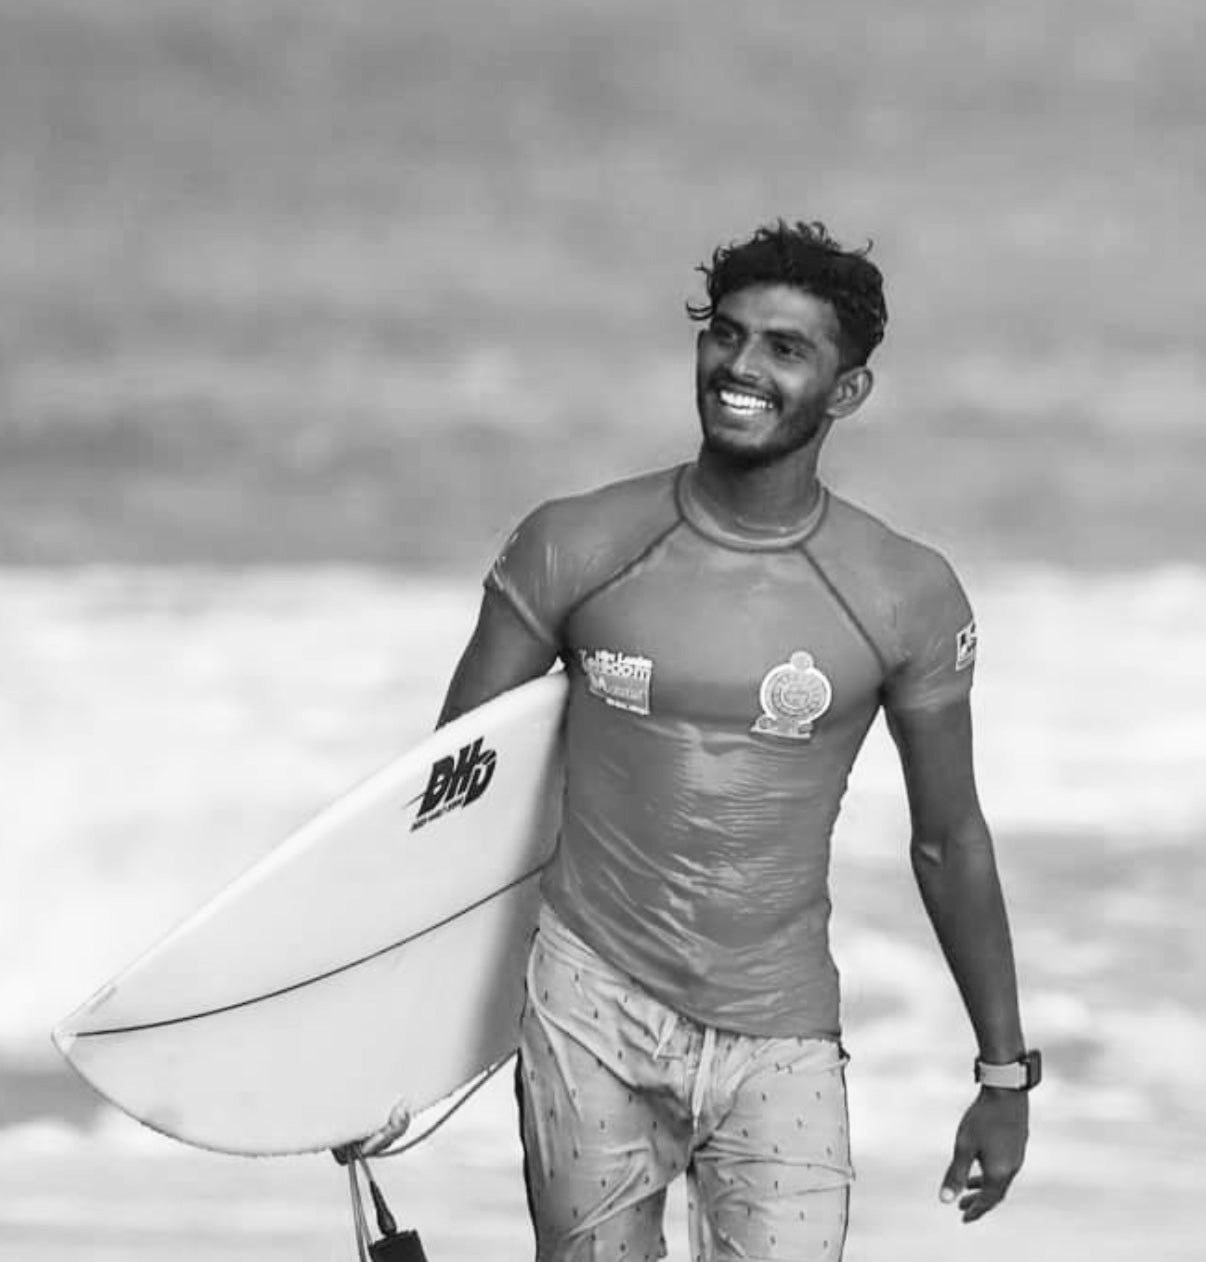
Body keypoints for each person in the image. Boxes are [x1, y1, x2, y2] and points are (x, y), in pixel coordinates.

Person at [348, 220, 1036, 1261]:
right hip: (589, 998)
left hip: (783, 1027)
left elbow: (949, 839)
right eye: (726, 334)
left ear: (845, 391)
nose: (741, 366)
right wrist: (366, 1049)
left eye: (784, 348)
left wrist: (1001, 1071)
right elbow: (448, 801)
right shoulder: (573, 543)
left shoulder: (904, 591)